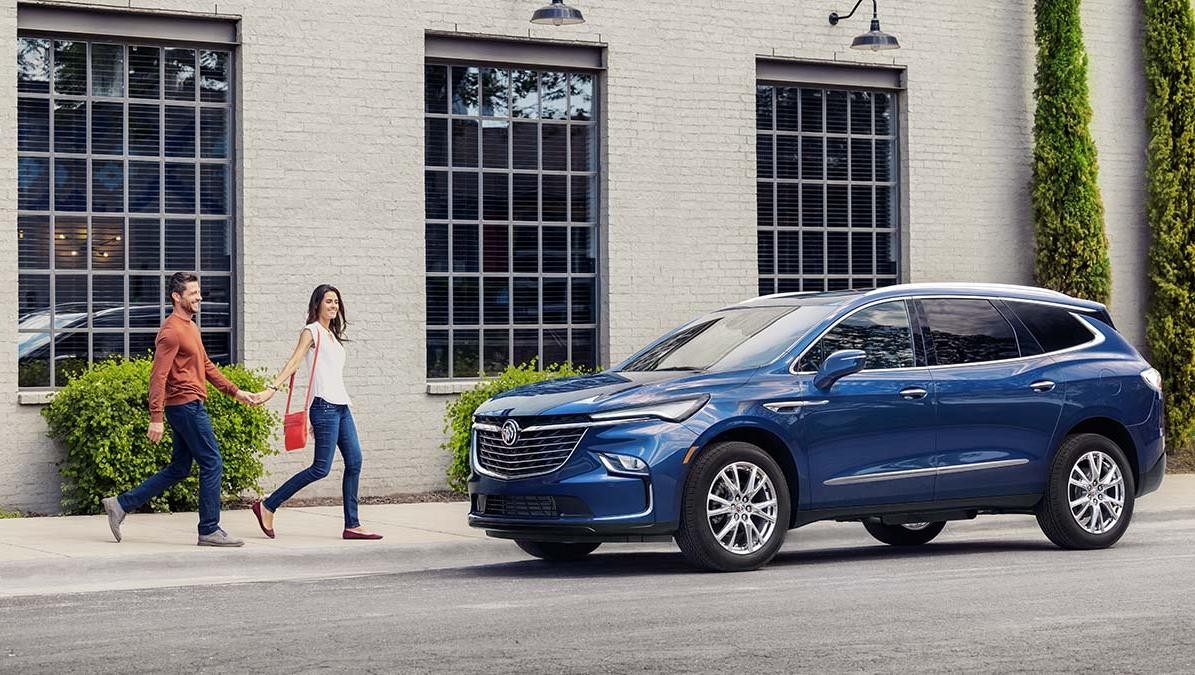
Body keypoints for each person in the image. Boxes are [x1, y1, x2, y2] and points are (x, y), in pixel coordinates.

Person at [101, 272, 254, 547]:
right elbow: (158, 376)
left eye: (199, 293)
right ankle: (209, 529)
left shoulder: (191, 327)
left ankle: (120, 504)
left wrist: (235, 391)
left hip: (189, 404)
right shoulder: (171, 331)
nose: (199, 298)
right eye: (193, 293)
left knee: (180, 468)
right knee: (212, 461)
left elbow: (205, 365)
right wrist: (155, 417)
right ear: (177, 296)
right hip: (184, 405)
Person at [250, 284, 382, 541]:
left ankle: (352, 524)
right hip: (325, 408)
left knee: (355, 461)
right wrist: (271, 389)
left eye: (336, 302)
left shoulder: (332, 335)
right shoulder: (312, 332)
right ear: (317, 304)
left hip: (341, 407)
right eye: (328, 301)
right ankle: (268, 505)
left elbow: (325, 374)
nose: (333, 305)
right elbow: (295, 361)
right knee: (320, 468)